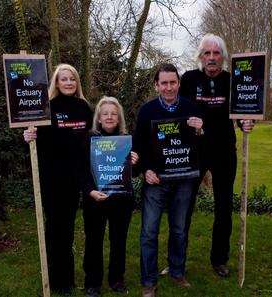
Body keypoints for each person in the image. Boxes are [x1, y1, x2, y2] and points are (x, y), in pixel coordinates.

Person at [179, 33, 254, 278]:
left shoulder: (233, 81)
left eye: (216, 53)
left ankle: (219, 259)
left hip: (224, 152)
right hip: (194, 152)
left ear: (223, 56)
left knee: (224, 207)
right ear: (200, 56)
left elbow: (245, 111)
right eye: (207, 53)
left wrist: (246, 122)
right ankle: (177, 260)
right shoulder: (189, 79)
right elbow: (177, 113)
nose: (211, 58)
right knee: (184, 206)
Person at [133, 63, 203, 297]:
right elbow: (137, 147)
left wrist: (201, 130)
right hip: (156, 180)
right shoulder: (147, 111)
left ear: (179, 84)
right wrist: (144, 170)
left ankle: (177, 271)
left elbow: (201, 146)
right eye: (164, 83)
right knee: (149, 232)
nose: (169, 87)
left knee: (179, 230)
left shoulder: (192, 108)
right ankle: (148, 281)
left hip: (184, 180)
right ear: (156, 85)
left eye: (173, 82)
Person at [23, 64, 93, 295]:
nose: (69, 83)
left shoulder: (84, 108)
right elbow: (36, 144)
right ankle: (56, 280)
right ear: (56, 82)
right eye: (64, 79)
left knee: (68, 229)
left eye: (72, 78)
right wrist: (28, 136)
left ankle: (68, 280)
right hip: (52, 178)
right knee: (55, 230)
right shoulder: (46, 108)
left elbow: (92, 139)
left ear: (77, 82)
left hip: (74, 179)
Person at [81, 96, 139, 297]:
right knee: (93, 241)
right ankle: (92, 283)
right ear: (98, 117)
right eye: (105, 113)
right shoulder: (88, 139)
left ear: (119, 117)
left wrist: (135, 161)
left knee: (119, 241)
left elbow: (134, 173)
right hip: (95, 199)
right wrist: (90, 191)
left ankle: (116, 279)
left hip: (121, 200)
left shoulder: (126, 140)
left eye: (113, 114)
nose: (109, 117)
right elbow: (81, 170)